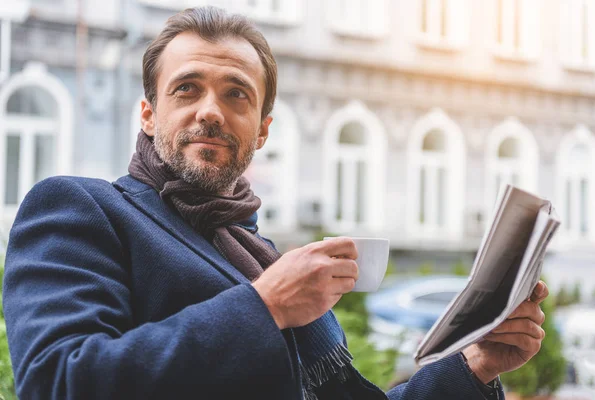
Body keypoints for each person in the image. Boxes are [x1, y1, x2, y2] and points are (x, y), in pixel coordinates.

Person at [2, 6, 549, 400]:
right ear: (148, 113)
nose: (210, 111)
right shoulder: (82, 208)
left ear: (262, 130)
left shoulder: (254, 248)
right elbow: (58, 382)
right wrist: (264, 307)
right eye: (187, 88)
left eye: (236, 93)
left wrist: (474, 365)